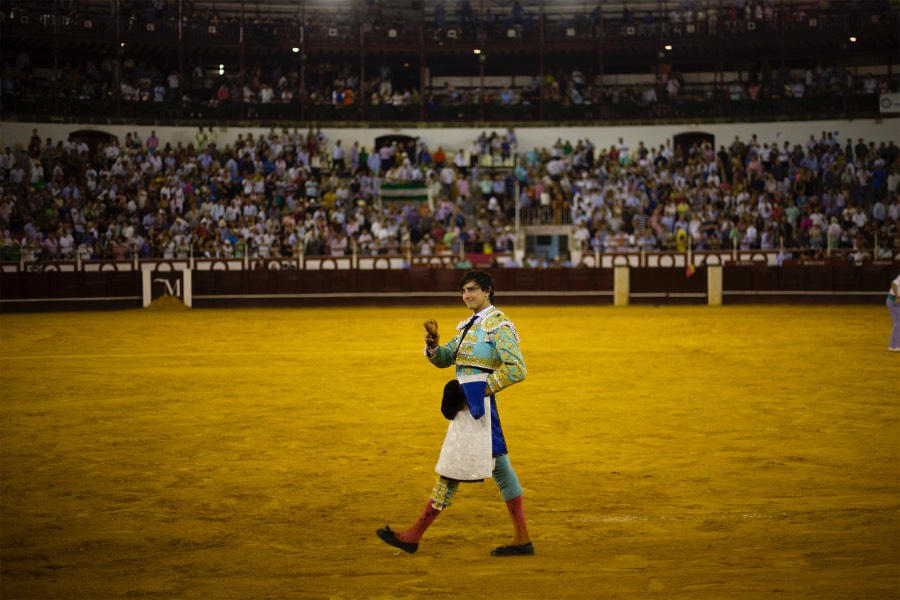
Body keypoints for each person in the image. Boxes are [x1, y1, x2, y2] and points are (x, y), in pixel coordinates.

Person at [376, 270, 533, 557]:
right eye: (463, 291)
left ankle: (414, 535)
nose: (466, 295)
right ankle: (522, 538)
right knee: (499, 469)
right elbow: (447, 358)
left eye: (471, 290)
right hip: (468, 410)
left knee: (451, 469)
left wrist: (476, 390)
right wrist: (433, 346)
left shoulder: (499, 325)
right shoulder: (469, 325)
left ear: (487, 291)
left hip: (478, 409)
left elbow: (517, 369)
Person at [888, 273, 900, 352]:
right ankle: (893, 345)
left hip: (896, 301)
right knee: (898, 323)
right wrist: (897, 297)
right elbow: (893, 284)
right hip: (893, 301)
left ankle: (896, 344)